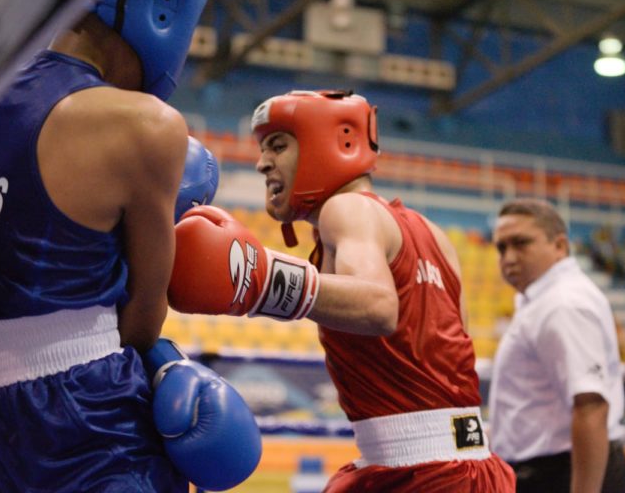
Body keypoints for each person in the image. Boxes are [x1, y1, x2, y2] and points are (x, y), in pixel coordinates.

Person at [0, 0, 261, 491]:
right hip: (84, 417)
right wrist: (161, 362)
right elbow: (143, 318)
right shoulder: (147, 126)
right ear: (164, 10)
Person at [168, 90, 517, 492]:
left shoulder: (346, 209)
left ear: (336, 143)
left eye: (278, 146)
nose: (263, 163)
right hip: (473, 467)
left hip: (422, 474)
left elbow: (380, 307)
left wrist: (261, 282)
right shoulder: (431, 233)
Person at [487, 198, 625, 493]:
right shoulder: (543, 301)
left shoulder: (563, 304)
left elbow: (591, 407)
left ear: (560, 246)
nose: (509, 257)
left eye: (521, 243)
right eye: (502, 247)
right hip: (551, 471)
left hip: (565, 473)